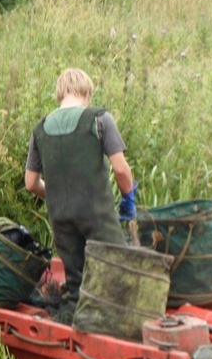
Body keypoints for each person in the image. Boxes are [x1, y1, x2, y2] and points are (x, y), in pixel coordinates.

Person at [25, 68, 137, 309]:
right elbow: (120, 169)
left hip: (61, 219)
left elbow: (31, 183)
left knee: (76, 286)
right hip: (96, 216)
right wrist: (129, 197)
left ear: (60, 95)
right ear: (87, 92)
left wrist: (54, 195)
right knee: (118, 275)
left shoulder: (40, 130)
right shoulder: (99, 119)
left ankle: (76, 327)